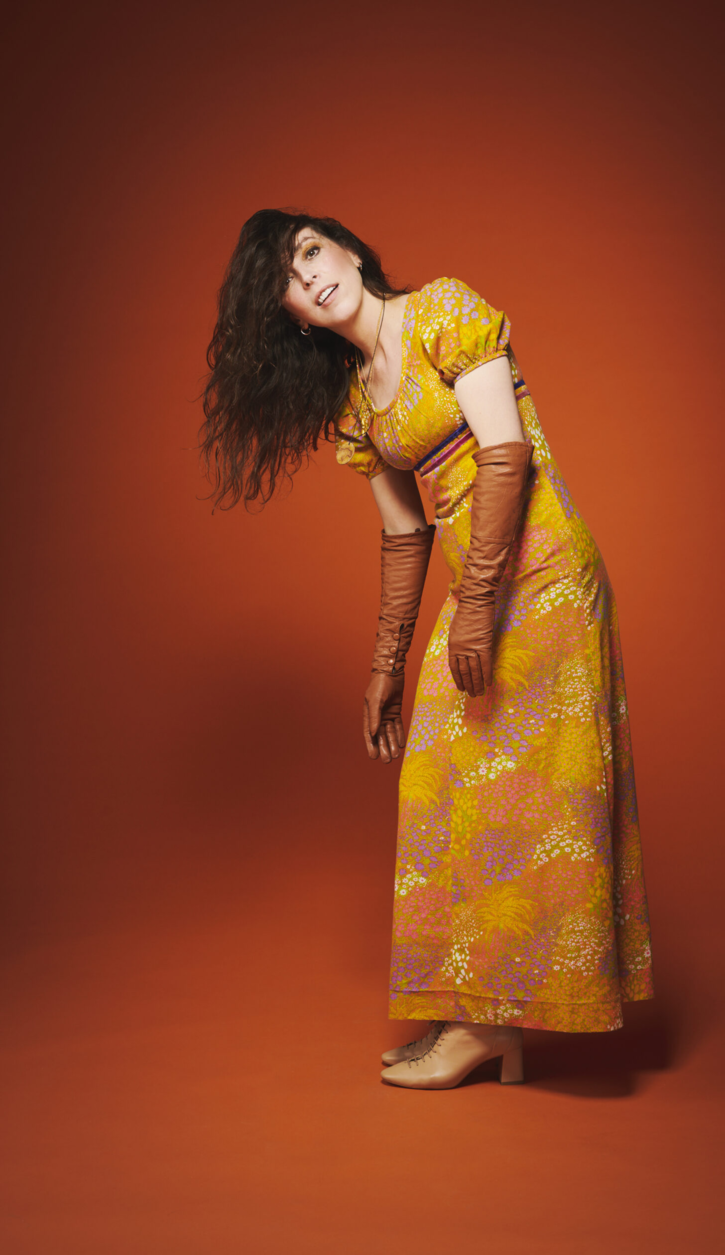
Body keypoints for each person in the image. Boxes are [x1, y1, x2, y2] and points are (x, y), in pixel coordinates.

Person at [201, 210, 654, 1091]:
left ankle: (482, 1027)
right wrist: (385, 666)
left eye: (310, 252)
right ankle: (479, 1020)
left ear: (347, 249)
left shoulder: (444, 311)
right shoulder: (354, 402)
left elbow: (507, 452)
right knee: (444, 786)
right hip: (481, 584)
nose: (310, 278)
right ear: (292, 316)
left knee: (537, 797)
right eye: (290, 282)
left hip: (548, 573)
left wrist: (478, 600)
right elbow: (405, 534)